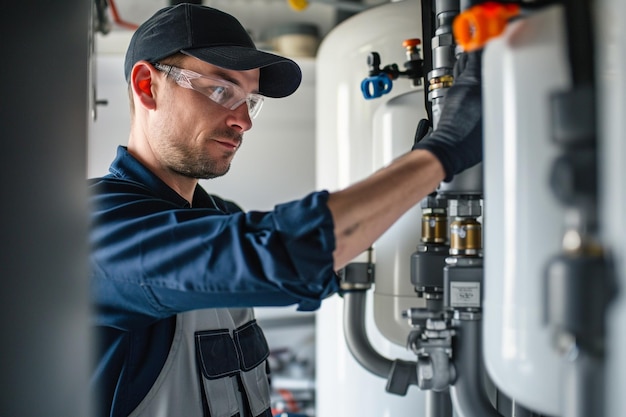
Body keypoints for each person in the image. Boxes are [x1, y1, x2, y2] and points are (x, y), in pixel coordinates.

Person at [89, 3, 482, 417]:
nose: (243, 120)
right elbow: (279, 255)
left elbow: (301, 258)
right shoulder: (95, 228)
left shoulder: (220, 217)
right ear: (147, 86)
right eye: (221, 90)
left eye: (250, 100)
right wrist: (439, 155)